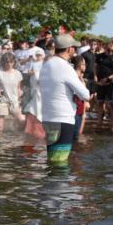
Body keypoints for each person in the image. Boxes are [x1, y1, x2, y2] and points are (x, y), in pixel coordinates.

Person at [39, 35, 90, 166]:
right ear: (69, 49)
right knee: (59, 163)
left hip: (47, 118)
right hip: (63, 119)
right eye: (74, 47)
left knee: (52, 158)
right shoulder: (66, 68)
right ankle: (60, 186)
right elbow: (85, 95)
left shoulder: (46, 64)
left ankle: (50, 185)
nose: (75, 50)